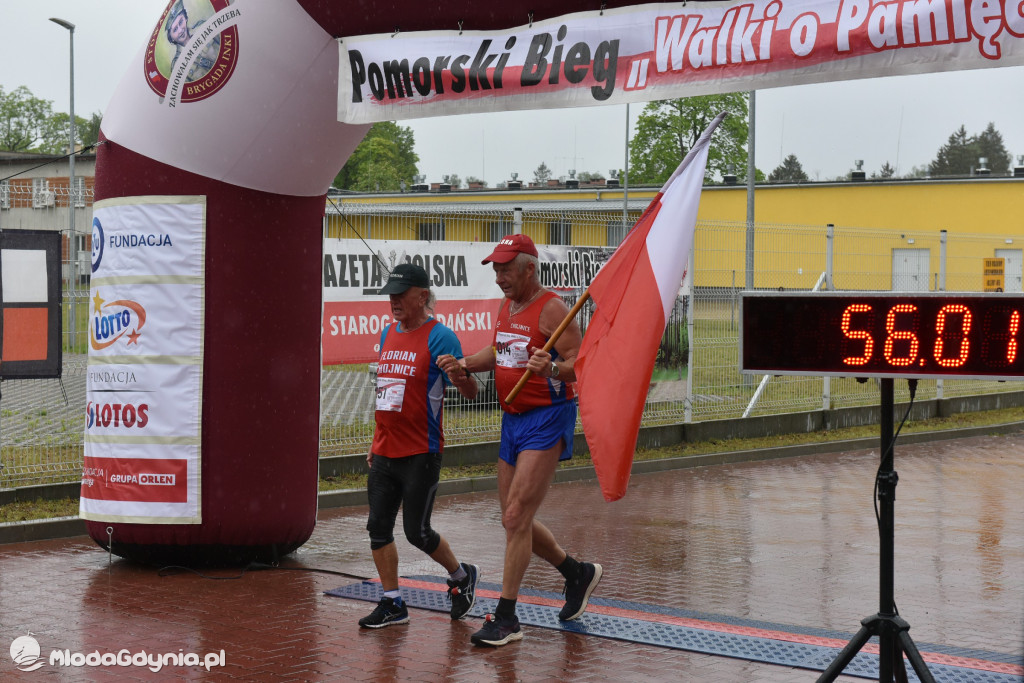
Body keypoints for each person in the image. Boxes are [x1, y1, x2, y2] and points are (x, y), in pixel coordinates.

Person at [438, 234, 603, 647]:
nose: (499, 277)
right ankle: (575, 573)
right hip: (512, 419)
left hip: (546, 419)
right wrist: (463, 364)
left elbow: (581, 365)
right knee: (515, 520)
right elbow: (499, 351)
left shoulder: (552, 309)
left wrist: (552, 369)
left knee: (514, 518)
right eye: (495, 269)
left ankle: (507, 617)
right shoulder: (506, 306)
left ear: (530, 268)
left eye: (506, 269)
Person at [359, 262, 481, 629]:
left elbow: (473, 391)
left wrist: (460, 373)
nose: (393, 301)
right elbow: (387, 393)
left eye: (400, 294)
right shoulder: (387, 333)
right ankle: (393, 601)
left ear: (422, 296)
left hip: (421, 453)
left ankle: (461, 576)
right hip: (384, 451)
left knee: (417, 533)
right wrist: (374, 439)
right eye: (390, 295)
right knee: (377, 528)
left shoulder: (441, 336)